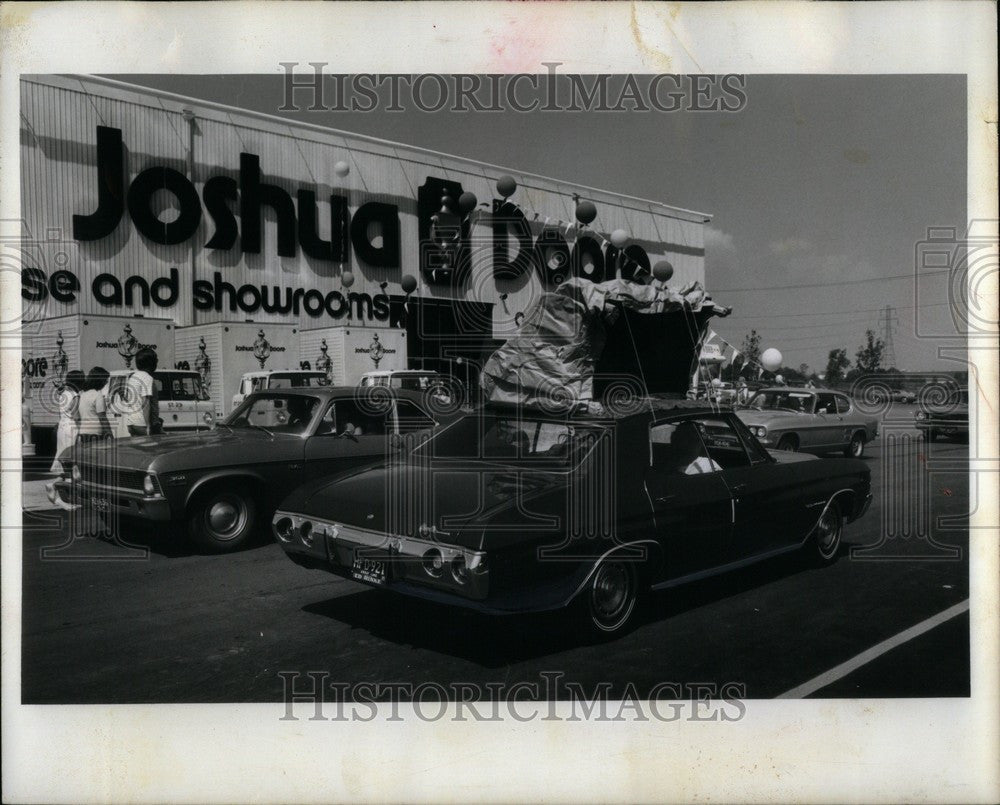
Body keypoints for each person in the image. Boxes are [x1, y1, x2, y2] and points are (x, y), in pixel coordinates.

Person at [117, 348, 160, 437]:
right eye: (156, 360)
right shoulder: (147, 378)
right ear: (151, 363)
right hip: (143, 424)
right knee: (151, 449)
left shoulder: (132, 377)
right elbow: (145, 403)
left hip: (131, 423)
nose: (157, 362)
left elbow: (128, 400)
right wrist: (148, 426)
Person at [50, 369, 84, 474]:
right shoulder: (75, 395)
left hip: (62, 426)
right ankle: (65, 479)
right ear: (78, 382)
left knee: (61, 452)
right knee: (71, 454)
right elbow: (75, 415)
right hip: (71, 427)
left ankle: (60, 477)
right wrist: (82, 429)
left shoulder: (64, 393)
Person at [77, 366, 112, 443]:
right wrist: (110, 434)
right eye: (105, 380)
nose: (106, 382)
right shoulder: (97, 395)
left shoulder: (83, 394)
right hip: (95, 433)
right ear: (99, 381)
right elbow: (102, 418)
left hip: (83, 432)